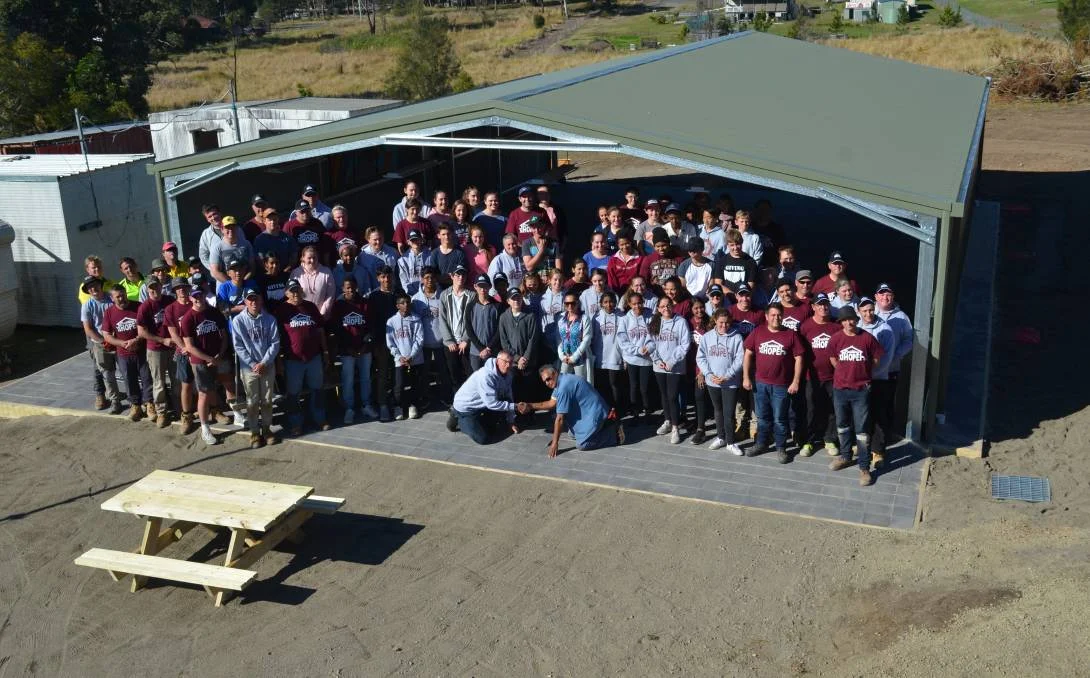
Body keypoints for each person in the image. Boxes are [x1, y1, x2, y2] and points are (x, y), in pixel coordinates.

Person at [827, 306, 884, 486]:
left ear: (857, 319)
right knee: (842, 425)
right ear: (841, 322)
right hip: (840, 389)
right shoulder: (836, 339)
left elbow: (876, 358)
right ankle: (845, 456)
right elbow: (833, 359)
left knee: (862, 430)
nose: (848, 323)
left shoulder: (867, 338)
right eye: (844, 320)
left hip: (861, 390)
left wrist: (863, 373)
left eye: (851, 319)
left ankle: (864, 467)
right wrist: (845, 372)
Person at [742, 303, 804, 463]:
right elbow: (748, 354)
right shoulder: (758, 332)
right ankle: (761, 443)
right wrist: (746, 377)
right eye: (773, 315)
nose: (776, 318)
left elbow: (799, 358)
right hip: (760, 384)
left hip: (781, 385)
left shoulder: (790, 334)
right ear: (766, 316)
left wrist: (795, 381)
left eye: (779, 315)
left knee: (780, 419)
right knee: (762, 417)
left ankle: (781, 448)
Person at [522, 365, 624, 457]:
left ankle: (615, 435)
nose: (547, 383)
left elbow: (560, 419)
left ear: (555, 373)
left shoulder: (563, 387)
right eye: (544, 381)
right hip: (590, 411)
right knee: (572, 434)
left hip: (595, 413)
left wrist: (555, 443)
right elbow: (551, 403)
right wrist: (530, 405)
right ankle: (602, 427)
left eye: (548, 379)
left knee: (582, 445)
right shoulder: (561, 380)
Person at [275, 278, 330, 435]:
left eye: (297, 290)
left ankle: (320, 419)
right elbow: (276, 337)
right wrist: (279, 360)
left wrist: (325, 351)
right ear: (286, 293)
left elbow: (320, 331)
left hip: (314, 357)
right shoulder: (281, 310)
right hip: (293, 359)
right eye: (292, 291)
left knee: (317, 390)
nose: (295, 293)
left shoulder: (310, 307)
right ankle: (296, 423)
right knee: (293, 394)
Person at [179, 287, 229, 445]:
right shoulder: (188, 319)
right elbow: (190, 347)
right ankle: (205, 428)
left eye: (199, 295)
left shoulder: (214, 312)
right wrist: (209, 358)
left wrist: (219, 355)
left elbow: (224, 336)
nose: (197, 299)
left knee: (213, 389)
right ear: (190, 298)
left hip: (216, 358)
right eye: (194, 297)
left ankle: (215, 413)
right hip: (200, 362)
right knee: (203, 394)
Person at [231, 289, 281, 448]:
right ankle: (254, 431)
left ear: (261, 301)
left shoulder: (270, 319)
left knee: (267, 400)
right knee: (252, 401)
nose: (253, 302)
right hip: (249, 369)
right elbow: (238, 346)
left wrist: (265, 362)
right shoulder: (238, 321)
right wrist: (253, 364)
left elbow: (275, 343)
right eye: (250, 299)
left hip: (267, 365)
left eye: (256, 299)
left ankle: (266, 429)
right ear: (245, 302)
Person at [697, 308, 745, 454]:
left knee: (729, 413)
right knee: (718, 411)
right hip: (713, 381)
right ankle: (721, 437)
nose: (724, 326)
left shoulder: (737, 337)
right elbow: (701, 357)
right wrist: (709, 374)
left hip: (730, 382)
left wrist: (728, 375)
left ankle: (730, 442)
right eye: (721, 323)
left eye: (727, 323)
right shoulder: (707, 337)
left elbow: (740, 359)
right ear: (715, 321)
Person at [102, 284, 152, 422]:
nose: (121, 298)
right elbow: (106, 334)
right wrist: (122, 343)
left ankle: (149, 404)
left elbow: (147, 327)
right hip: (123, 354)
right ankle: (135, 406)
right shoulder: (109, 312)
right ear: (112, 298)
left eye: (123, 294)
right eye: (117, 296)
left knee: (147, 378)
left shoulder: (139, 307)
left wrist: (136, 340)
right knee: (129, 380)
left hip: (142, 350)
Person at [799, 293, 840, 457]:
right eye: (819, 304)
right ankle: (808, 441)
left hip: (833, 377)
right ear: (813, 307)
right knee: (810, 410)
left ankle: (829, 439)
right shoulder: (805, 327)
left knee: (831, 409)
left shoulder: (836, 327)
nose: (823, 307)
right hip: (811, 377)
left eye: (825, 304)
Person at [858, 296, 897, 469]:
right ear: (859, 312)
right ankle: (860, 447)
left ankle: (878, 451)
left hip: (879, 380)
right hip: (859, 381)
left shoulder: (886, 329)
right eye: (864, 311)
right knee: (861, 416)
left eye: (870, 310)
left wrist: (870, 374)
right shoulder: (855, 327)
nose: (868, 314)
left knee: (879, 416)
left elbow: (886, 359)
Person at [329, 277, 376, 423]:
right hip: (347, 351)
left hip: (364, 349)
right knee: (347, 379)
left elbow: (371, 327)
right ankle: (349, 408)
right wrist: (348, 348)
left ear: (357, 287)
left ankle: (366, 405)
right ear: (342, 289)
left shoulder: (365, 304)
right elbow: (337, 330)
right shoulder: (338, 305)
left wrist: (365, 345)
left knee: (365, 377)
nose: (351, 290)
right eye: (347, 288)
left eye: (353, 287)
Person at [447, 352, 520, 443]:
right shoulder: (486, 376)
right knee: (483, 439)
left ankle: (479, 422)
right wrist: (516, 406)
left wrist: (511, 421)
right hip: (467, 408)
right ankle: (457, 417)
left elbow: (509, 396)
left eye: (511, 362)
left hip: (483, 405)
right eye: (505, 362)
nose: (508, 365)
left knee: (492, 430)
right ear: (497, 361)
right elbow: (492, 404)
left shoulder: (508, 375)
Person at [649, 296, 691, 443]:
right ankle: (667, 421)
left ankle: (675, 427)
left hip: (675, 367)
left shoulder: (681, 322)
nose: (666, 308)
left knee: (673, 396)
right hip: (659, 366)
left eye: (668, 305)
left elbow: (685, 344)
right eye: (662, 306)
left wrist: (672, 361)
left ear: (673, 306)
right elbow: (650, 343)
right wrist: (657, 360)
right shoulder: (655, 322)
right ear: (658, 309)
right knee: (664, 395)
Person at [135, 275, 174, 427]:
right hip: (155, 349)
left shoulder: (169, 300)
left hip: (173, 347)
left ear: (160, 286)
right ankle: (161, 412)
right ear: (147, 289)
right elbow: (141, 332)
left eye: (156, 286)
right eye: (150, 287)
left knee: (177, 379)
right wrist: (162, 340)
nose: (154, 290)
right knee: (159, 382)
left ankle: (181, 409)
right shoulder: (144, 307)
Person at [80, 276, 121, 413]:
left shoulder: (112, 299)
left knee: (128, 371)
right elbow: (88, 329)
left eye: (95, 285)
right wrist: (103, 341)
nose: (93, 288)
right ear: (88, 291)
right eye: (90, 287)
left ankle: (136, 400)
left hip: (119, 340)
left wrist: (117, 340)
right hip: (101, 344)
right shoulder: (87, 305)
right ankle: (115, 401)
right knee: (107, 374)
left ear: (101, 285)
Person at [498, 288, 541, 411]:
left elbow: (533, 339)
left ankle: (530, 414)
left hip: (529, 361)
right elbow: (504, 342)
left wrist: (525, 358)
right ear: (508, 301)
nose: (516, 300)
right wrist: (517, 358)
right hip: (513, 362)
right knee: (515, 389)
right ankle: (516, 413)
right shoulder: (503, 318)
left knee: (529, 389)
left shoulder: (530, 315)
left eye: (518, 298)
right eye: (513, 298)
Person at [163, 277, 196, 433]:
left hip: (200, 351)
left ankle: (213, 410)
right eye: (178, 288)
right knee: (186, 385)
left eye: (184, 287)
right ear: (174, 291)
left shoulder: (196, 303)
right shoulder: (170, 309)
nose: (182, 290)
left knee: (206, 383)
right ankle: (187, 416)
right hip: (183, 352)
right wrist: (186, 348)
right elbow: (173, 334)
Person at [412, 267, 449, 406]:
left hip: (441, 342)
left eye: (432, 277)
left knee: (443, 372)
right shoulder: (416, 300)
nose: (429, 280)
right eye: (426, 277)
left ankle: (446, 397)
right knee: (424, 373)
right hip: (424, 344)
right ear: (422, 279)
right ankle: (425, 398)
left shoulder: (444, 295)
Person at [386, 292, 425, 420]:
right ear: (397, 306)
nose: (406, 305)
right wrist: (399, 357)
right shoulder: (391, 322)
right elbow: (390, 343)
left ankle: (413, 405)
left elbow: (419, 340)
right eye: (402, 303)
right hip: (400, 360)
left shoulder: (416, 318)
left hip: (415, 359)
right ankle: (398, 406)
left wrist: (411, 355)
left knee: (415, 383)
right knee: (399, 384)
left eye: (408, 302)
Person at [617, 290, 655, 420]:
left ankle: (648, 411)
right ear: (629, 304)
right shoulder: (625, 319)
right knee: (633, 386)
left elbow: (655, 335)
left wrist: (649, 347)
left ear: (643, 302)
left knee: (645, 388)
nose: (637, 306)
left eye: (639, 303)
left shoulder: (651, 316)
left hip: (647, 359)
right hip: (632, 358)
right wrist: (637, 350)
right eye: (634, 304)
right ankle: (635, 413)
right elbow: (623, 341)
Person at [369, 266, 398, 421]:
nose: (386, 280)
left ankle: (395, 402)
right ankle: (382, 405)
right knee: (382, 374)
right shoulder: (373, 297)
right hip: (381, 342)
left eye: (388, 276)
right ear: (378, 278)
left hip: (399, 342)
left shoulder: (398, 295)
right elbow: (372, 323)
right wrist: (375, 344)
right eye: (383, 277)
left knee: (395, 374)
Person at [438, 265, 473, 390]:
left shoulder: (471, 295)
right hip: (450, 344)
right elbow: (442, 319)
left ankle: (469, 404)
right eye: (457, 275)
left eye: (463, 274)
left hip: (465, 344)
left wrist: (465, 339)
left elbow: (471, 320)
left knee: (469, 374)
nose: (461, 277)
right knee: (454, 375)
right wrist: (449, 341)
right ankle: (456, 402)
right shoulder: (444, 295)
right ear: (452, 276)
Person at [591, 291, 624, 417]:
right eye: (605, 302)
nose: (608, 304)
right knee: (602, 384)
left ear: (615, 303)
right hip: (600, 355)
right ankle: (605, 408)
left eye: (611, 302)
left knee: (614, 383)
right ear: (601, 304)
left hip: (615, 355)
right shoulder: (596, 317)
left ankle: (617, 409)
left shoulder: (621, 316)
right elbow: (593, 337)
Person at [688, 300, 713, 443]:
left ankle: (701, 429)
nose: (699, 310)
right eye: (696, 308)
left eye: (701, 307)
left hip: (701, 368)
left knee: (700, 396)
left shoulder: (710, 324)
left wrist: (702, 371)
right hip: (688, 365)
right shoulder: (687, 322)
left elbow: (710, 351)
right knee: (693, 397)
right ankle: (697, 421)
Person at [467, 274, 501, 371]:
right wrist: (480, 348)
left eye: (485, 286)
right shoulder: (470, 306)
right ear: (475, 287)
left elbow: (499, 330)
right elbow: (469, 329)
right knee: (476, 380)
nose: (482, 289)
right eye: (480, 286)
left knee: (491, 379)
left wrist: (489, 348)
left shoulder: (497, 306)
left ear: (490, 286)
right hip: (475, 352)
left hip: (492, 352)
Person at [284, 200, 333, 266]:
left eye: (307, 210)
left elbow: (325, 244)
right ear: (296, 213)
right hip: (298, 267)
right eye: (302, 211)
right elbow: (285, 247)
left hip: (317, 264)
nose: (305, 214)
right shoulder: (289, 226)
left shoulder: (317, 223)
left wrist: (326, 263)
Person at [557, 292, 593, 382]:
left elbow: (587, 339)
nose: (570, 306)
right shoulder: (561, 319)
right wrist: (562, 356)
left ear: (578, 303)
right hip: (565, 358)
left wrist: (575, 357)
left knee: (581, 384)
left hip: (581, 358)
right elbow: (560, 340)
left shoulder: (584, 318)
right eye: (567, 303)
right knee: (564, 383)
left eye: (573, 303)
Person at [291, 245, 336, 317]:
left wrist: (322, 313)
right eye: (309, 258)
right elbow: (291, 294)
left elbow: (331, 294)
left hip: (322, 315)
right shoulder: (296, 273)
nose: (312, 261)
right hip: (302, 316)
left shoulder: (326, 272)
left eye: (314, 258)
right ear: (303, 258)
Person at [714, 229, 758, 294]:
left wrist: (740, 297)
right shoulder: (721, 261)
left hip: (744, 298)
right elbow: (718, 283)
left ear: (742, 243)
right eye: (732, 245)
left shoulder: (750, 262)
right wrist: (733, 295)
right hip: (726, 299)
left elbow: (751, 286)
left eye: (737, 244)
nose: (735, 248)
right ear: (727, 245)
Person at [606, 229, 642, 294]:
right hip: (618, 293)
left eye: (627, 243)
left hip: (636, 292)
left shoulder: (640, 258)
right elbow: (611, 280)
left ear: (631, 242)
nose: (625, 247)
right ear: (618, 245)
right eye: (621, 245)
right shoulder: (613, 260)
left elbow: (642, 277)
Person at [397, 229, 430, 295]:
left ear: (421, 239)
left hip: (429, 291)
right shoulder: (402, 260)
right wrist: (413, 294)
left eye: (417, 239)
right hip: (412, 295)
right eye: (412, 240)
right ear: (408, 242)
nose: (415, 242)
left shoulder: (431, 255)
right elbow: (404, 281)